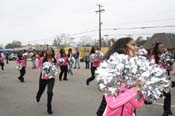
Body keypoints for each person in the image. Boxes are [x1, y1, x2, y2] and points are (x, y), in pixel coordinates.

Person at [97, 37, 144, 116]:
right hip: (107, 113)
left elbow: (138, 104)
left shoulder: (137, 69)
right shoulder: (110, 69)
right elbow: (112, 103)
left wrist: (143, 91)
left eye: (137, 45)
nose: (137, 47)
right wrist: (135, 89)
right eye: (133, 45)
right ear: (123, 48)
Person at [151, 42, 173, 116]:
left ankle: (167, 110)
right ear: (157, 49)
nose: (163, 48)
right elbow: (152, 66)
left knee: (168, 95)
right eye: (161, 47)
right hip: (157, 79)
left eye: (164, 47)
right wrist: (161, 64)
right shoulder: (154, 56)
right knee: (158, 94)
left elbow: (170, 68)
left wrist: (169, 65)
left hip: (165, 78)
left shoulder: (167, 56)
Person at [36, 47, 57, 115]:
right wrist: (44, 69)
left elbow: (56, 68)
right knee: (41, 90)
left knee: (49, 92)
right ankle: (38, 96)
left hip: (51, 78)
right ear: (46, 52)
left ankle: (49, 106)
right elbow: (39, 67)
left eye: (51, 50)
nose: (49, 51)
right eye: (48, 50)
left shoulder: (54, 60)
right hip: (43, 77)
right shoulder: (42, 59)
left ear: (53, 52)